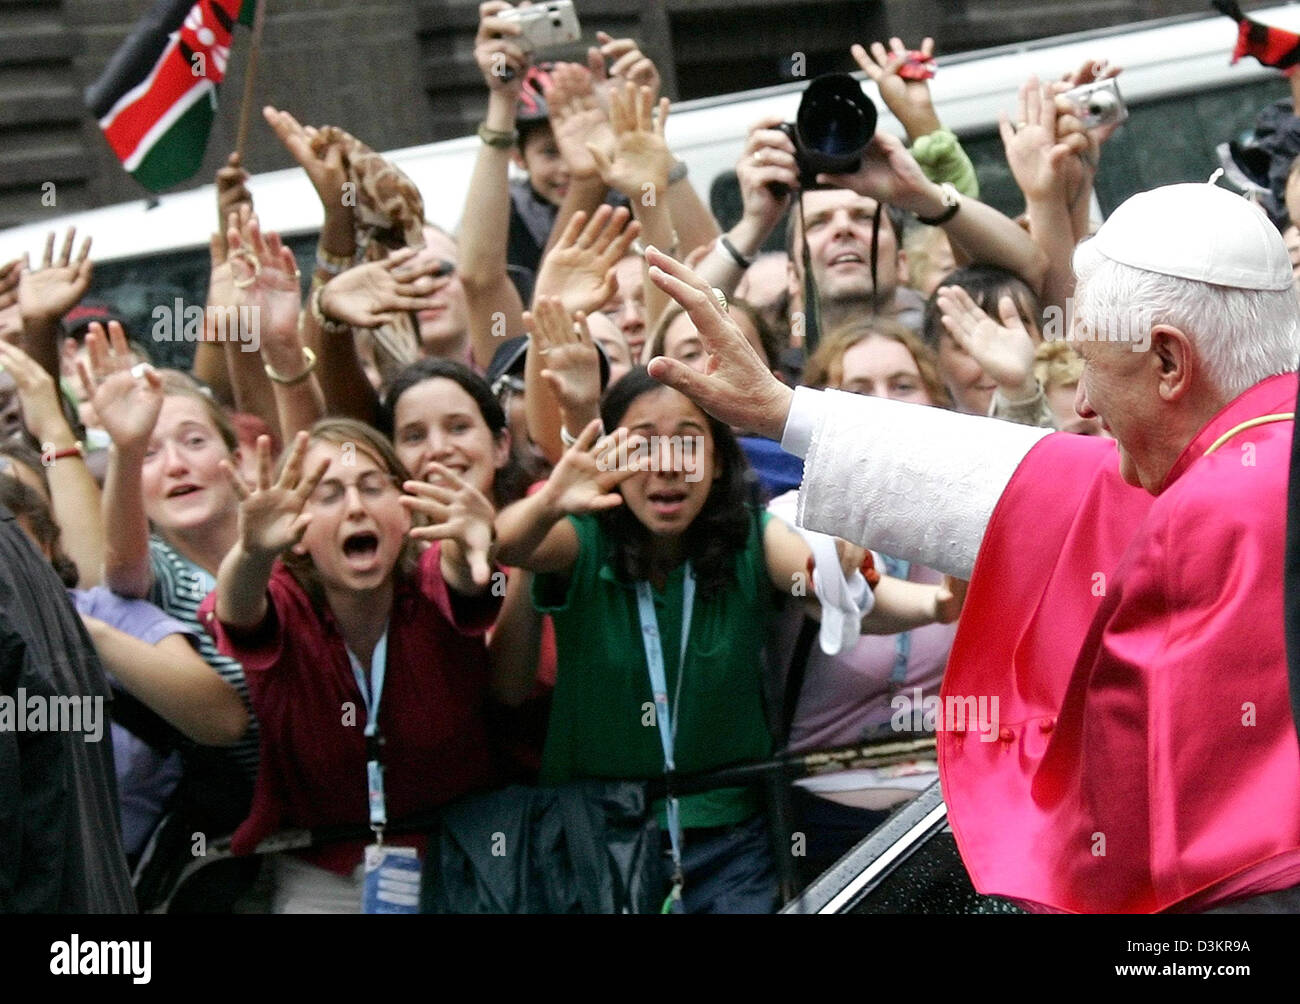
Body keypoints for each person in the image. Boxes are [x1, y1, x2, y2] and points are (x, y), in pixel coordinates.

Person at [642, 179, 1300, 913]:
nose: (1080, 403)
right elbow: (1043, 486)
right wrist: (785, 412)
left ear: (1171, 364)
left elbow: (1131, 789)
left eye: (1092, 364)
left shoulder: (1220, 504)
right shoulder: (1251, 457)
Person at [495, 365, 960, 913]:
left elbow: (829, 585)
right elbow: (506, 546)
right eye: (644, 442)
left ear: (717, 462)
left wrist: (931, 602)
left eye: (689, 440)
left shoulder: (748, 536)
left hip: (729, 832)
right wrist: (551, 499)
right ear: (613, 461)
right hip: (595, 829)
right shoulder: (584, 536)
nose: (668, 463)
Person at [201, 420, 504, 912]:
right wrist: (253, 552)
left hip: (461, 858)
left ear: (405, 514)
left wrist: (477, 544)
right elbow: (237, 609)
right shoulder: (283, 597)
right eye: (329, 494)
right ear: (296, 533)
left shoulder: (426, 582)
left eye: (371, 487)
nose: (356, 507)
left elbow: (466, 578)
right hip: (323, 869)